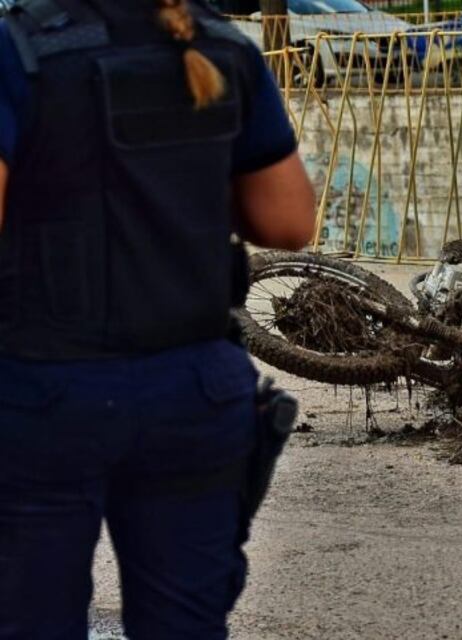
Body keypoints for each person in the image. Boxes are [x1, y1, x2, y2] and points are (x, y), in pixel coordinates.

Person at [0, 0, 315, 637]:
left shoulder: (21, 51)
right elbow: (289, 223)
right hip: (195, 388)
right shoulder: (227, 49)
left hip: (47, 392)